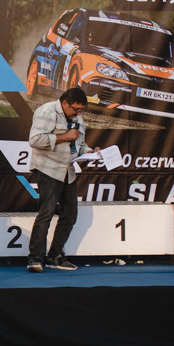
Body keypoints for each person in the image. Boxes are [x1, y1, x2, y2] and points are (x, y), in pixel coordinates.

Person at [27, 87, 100, 273]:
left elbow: (79, 145)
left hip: (68, 170)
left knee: (70, 215)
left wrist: (90, 152)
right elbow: (35, 140)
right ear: (65, 103)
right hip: (48, 168)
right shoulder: (46, 111)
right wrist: (63, 137)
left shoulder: (77, 118)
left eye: (81, 109)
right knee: (47, 213)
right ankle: (35, 258)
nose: (79, 112)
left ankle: (55, 256)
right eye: (76, 109)